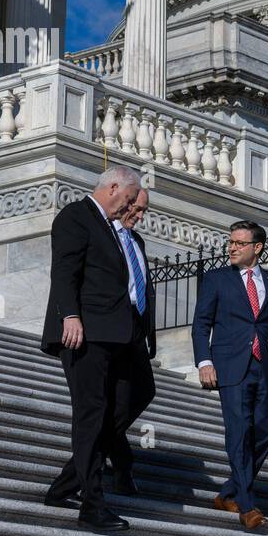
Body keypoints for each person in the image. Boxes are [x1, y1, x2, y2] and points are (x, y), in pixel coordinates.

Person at [39, 166, 143, 532]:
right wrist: (70, 315)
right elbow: (64, 271)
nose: (130, 207)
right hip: (84, 334)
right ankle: (92, 505)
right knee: (91, 414)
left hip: (115, 335)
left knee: (134, 396)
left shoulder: (109, 226)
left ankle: (67, 483)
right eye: (129, 199)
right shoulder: (75, 216)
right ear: (113, 187)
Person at [192, 220, 268, 530]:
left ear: (257, 247)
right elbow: (201, 325)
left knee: (266, 429)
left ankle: (228, 492)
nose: (233, 248)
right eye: (231, 242)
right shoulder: (216, 279)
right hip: (230, 367)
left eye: (240, 243)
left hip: (266, 367)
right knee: (239, 432)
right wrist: (204, 362)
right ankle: (247, 505)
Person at [102, 189, 156, 496]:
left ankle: (102, 448)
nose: (140, 215)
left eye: (144, 210)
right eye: (137, 208)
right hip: (110, 328)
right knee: (112, 401)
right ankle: (120, 464)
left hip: (135, 329)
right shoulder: (105, 234)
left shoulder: (137, 241)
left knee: (143, 391)